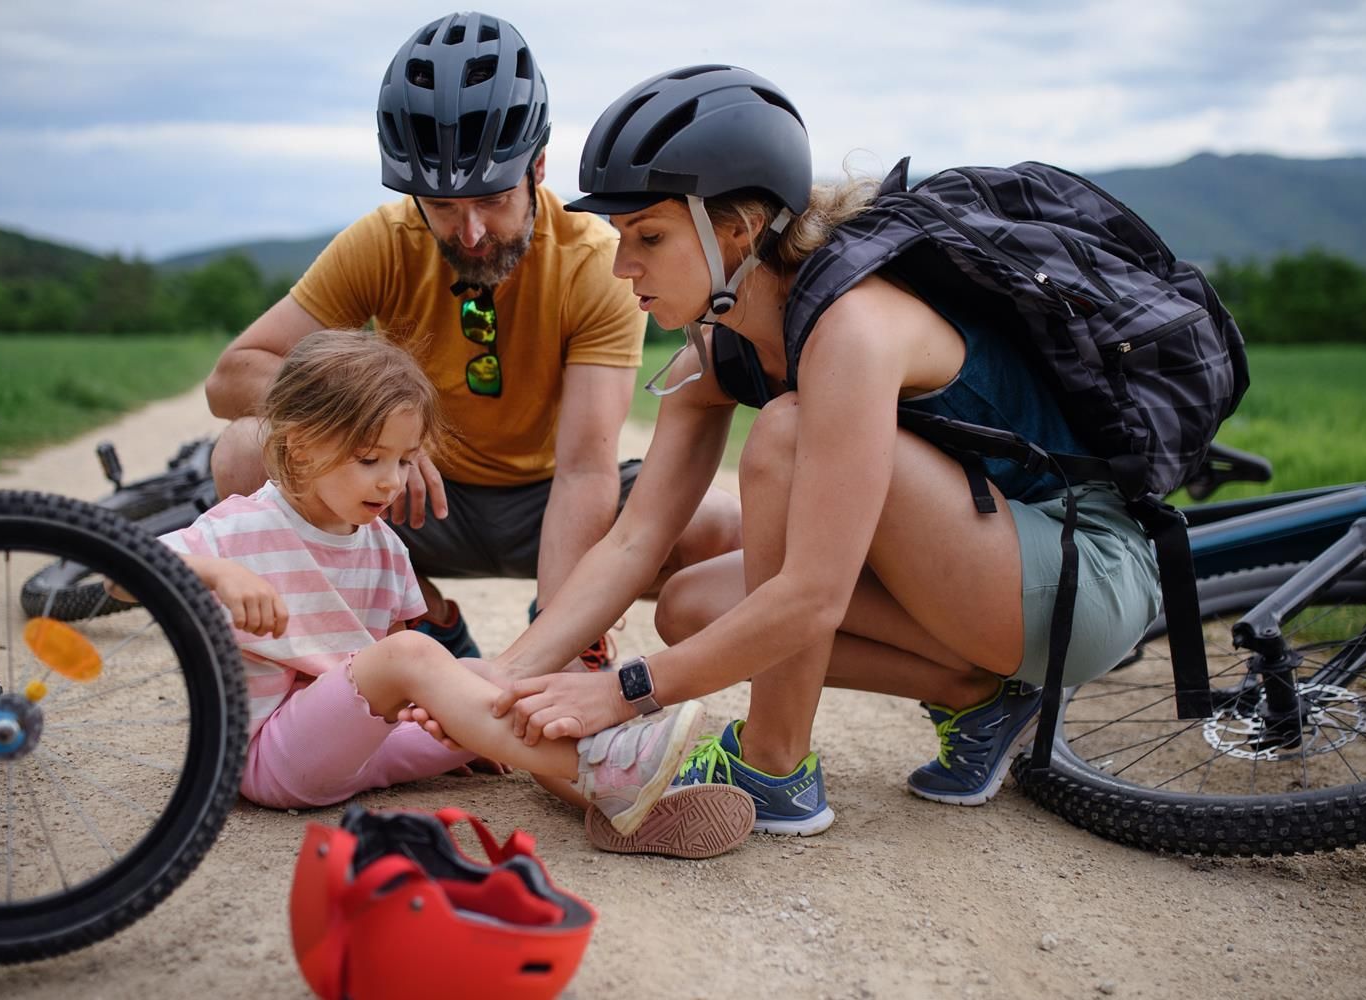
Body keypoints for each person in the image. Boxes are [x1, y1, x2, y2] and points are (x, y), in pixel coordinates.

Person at [408, 66, 1162, 836]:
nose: (620, 265)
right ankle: (986, 697)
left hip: (1082, 577)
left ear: (736, 228)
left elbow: (812, 596)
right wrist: (508, 676)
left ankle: (775, 767)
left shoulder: (854, 328)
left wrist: (623, 692)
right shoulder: (721, 345)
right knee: (691, 607)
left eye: (650, 237)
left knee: (785, 436)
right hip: (983, 569)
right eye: (621, 236)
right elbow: (637, 537)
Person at [202, 11, 740, 672]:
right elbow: (231, 377)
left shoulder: (594, 261)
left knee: (722, 527)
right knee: (244, 451)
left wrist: (558, 637)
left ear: (538, 167)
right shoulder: (382, 239)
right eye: (442, 207)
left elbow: (583, 468)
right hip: (411, 492)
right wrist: (364, 425)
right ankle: (425, 623)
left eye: (491, 199)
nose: (472, 232)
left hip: (547, 500)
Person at [145, 328, 723, 846]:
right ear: (299, 442)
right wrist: (219, 575)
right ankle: (603, 763)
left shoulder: (381, 547)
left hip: (365, 746)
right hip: (270, 756)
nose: (391, 482)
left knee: (488, 679)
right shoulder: (239, 530)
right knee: (419, 656)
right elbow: (122, 573)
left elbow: (392, 683)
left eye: (404, 461)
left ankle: (616, 807)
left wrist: (456, 716)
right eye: (371, 459)